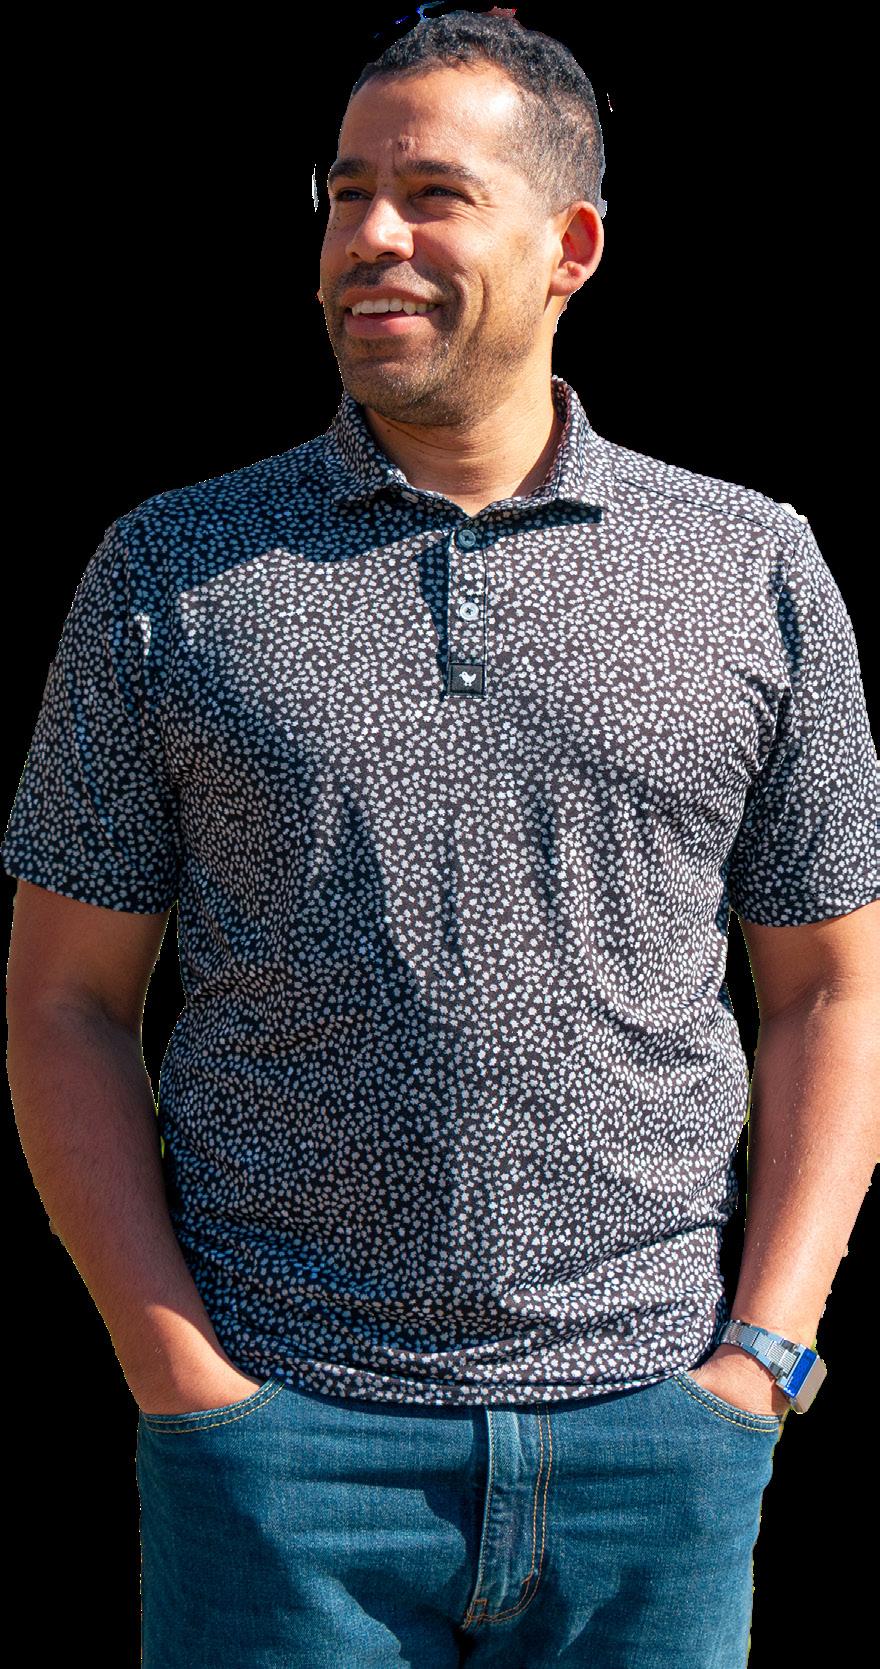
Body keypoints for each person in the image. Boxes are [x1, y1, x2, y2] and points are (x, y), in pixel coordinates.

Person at [4, 10, 879, 1668]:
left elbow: (828, 992)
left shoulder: (750, 567)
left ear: (571, 247)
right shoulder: (172, 571)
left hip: (654, 1439)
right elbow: (65, 1000)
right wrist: (178, 1371)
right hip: (281, 1450)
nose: (369, 239)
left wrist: (759, 1361)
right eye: (345, 195)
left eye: (432, 195)